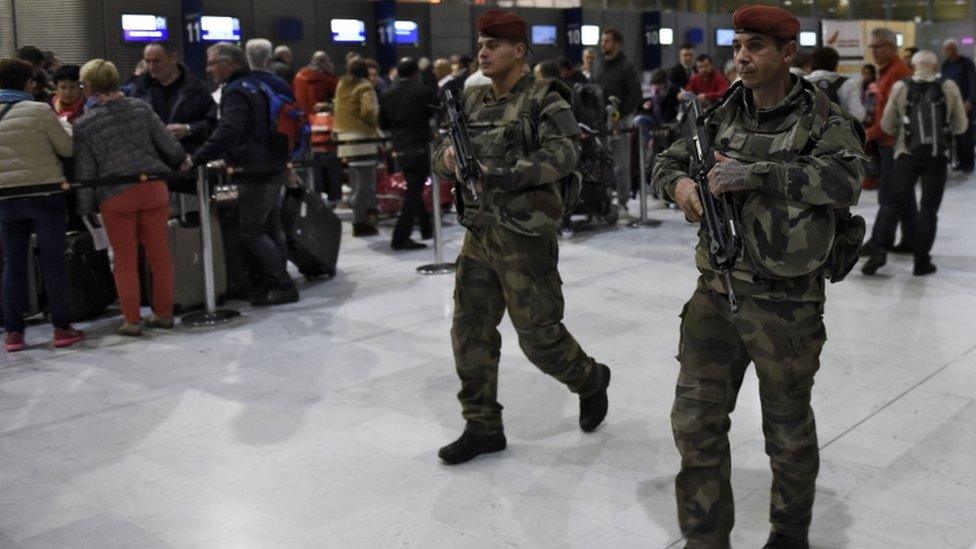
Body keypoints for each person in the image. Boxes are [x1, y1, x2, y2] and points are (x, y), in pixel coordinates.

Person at [652, 5, 865, 548]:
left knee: (787, 432)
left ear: (788, 52)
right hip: (716, 296)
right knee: (695, 423)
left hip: (786, 304)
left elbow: (844, 181)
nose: (741, 57)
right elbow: (665, 162)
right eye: (738, 45)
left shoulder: (822, 117)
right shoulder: (719, 111)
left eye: (756, 46)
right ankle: (705, 538)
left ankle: (789, 534)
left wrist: (758, 173)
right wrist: (680, 188)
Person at [432, 9, 612, 466]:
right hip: (480, 234)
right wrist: (448, 160)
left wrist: (503, 174)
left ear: (519, 50)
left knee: (538, 339)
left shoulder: (543, 98)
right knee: (468, 331)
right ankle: (482, 425)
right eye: (480, 44)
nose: (483, 52)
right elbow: (438, 155)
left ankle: (590, 380)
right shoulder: (470, 101)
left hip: (525, 235)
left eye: (493, 44)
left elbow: (565, 154)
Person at [73, 59, 187, 336]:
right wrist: (181, 160)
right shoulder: (141, 108)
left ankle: (132, 320)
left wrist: (85, 207)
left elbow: (86, 171)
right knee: (159, 255)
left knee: (124, 259)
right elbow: (170, 148)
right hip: (153, 188)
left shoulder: (84, 124)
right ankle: (164, 313)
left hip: (115, 195)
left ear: (88, 86)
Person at [192, 42, 300, 307]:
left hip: (254, 171)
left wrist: (197, 158)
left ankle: (283, 284)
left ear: (230, 64)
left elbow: (229, 130)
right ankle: (269, 281)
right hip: (271, 166)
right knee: (269, 226)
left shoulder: (236, 92)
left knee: (250, 231)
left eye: (212, 63)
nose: (209, 69)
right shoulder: (259, 85)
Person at [0, 58, 85, 352]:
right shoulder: (39, 110)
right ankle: (62, 328)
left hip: (6, 199)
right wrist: (68, 129)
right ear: (29, 83)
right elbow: (66, 148)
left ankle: (13, 333)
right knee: (53, 263)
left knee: (13, 265)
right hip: (45, 195)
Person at [861, 50, 968, 277]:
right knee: (929, 210)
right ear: (936, 65)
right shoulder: (949, 87)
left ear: (914, 65)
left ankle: (879, 250)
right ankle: (922, 262)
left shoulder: (901, 87)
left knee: (892, 203)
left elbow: (888, 124)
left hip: (906, 154)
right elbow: (961, 126)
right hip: (937, 157)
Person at [864, 28, 916, 255]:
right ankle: (912, 240)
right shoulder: (887, 71)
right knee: (903, 195)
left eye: (879, 46)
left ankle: (878, 244)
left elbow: (893, 119)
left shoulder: (898, 72)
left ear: (892, 47)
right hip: (888, 143)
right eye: (872, 47)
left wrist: (868, 134)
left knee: (889, 196)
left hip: (895, 143)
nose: (874, 51)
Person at [379, 58, 438, 251]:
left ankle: (427, 228)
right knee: (414, 191)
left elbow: (383, 124)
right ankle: (400, 237)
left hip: (400, 147)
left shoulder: (387, 94)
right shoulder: (424, 92)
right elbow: (437, 114)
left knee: (414, 187)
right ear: (415, 73)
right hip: (421, 146)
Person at [130, 42, 217, 156]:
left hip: (187, 157)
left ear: (173, 58)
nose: (151, 67)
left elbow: (212, 124)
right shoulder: (138, 90)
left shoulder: (196, 89)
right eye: (148, 61)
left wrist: (188, 129)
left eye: (157, 61)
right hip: (152, 159)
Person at [592, 27, 642, 214]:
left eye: (607, 41)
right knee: (601, 162)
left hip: (620, 121)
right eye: (602, 40)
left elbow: (636, 95)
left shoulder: (626, 66)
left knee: (621, 165)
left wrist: (621, 113)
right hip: (600, 121)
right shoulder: (598, 64)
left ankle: (622, 202)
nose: (603, 44)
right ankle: (604, 200)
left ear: (617, 44)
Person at [334, 58, 381, 237]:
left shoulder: (341, 85)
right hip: (362, 139)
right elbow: (368, 111)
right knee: (365, 184)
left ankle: (362, 217)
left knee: (356, 183)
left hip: (344, 139)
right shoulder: (365, 87)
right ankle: (360, 221)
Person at [942, 39, 976, 173]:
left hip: (965, 104)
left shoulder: (967, 63)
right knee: (956, 135)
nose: (949, 52)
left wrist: (970, 101)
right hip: (952, 105)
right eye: (947, 49)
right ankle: (960, 161)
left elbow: (973, 83)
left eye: (952, 49)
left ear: (956, 49)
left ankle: (968, 162)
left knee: (966, 135)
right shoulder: (946, 65)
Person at [806, 46, 865, 121]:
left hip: (806, 131)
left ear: (812, 64)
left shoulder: (802, 82)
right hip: (838, 130)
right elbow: (858, 115)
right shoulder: (848, 83)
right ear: (836, 64)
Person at [293, 51, 339, 115]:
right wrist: (331, 73)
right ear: (325, 63)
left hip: (301, 116)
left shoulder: (297, 77)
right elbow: (339, 88)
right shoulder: (323, 78)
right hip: (318, 117)